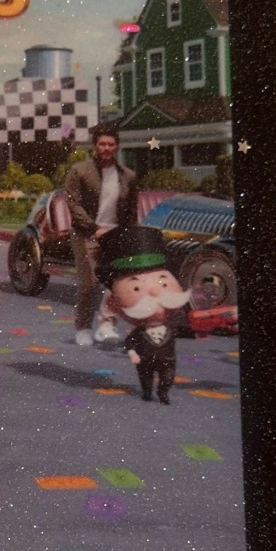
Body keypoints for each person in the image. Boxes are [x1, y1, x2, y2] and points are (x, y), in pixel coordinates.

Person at [97, 224, 191, 403]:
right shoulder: (139, 332)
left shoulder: (172, 325)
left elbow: (188, 329)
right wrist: (133, 353)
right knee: (146, 377)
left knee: (167, 377)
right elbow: (130, 342)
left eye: (163, 283)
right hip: (145, 361)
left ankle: (163, 393)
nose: (155, 292)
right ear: (113, 304)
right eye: (136, 287)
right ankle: (147, 392)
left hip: (168, 360)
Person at [62, 124, 137, 345]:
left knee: (116, 281)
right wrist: (95, 229)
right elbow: (73, 204)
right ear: (95, 146)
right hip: (87, 233)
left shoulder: (128, 176)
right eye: (102, 144)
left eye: (110, 144)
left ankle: (107, 323)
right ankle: (83, 327)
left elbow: (131, 211)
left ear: (117, 147)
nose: (106, 148)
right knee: (90, 283)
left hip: (115, 234)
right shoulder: (80, 171)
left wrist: (131, 235)